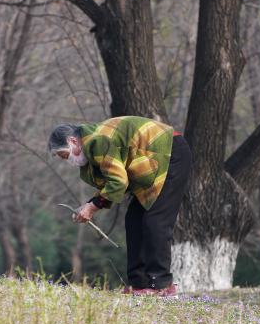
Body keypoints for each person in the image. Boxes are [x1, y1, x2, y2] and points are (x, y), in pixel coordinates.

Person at [48, 116, 192, 296]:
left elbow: (118, 182)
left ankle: (161, 285)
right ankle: (138, 283)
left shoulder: (97, 141)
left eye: (64, 154)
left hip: (170, 152)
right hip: (151, 165)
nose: (67, 160)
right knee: (134, 221)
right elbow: (111, 184)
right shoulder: (92, 150)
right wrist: (90, 205)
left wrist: (92, 206)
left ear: (73, 141)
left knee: (155, 221)